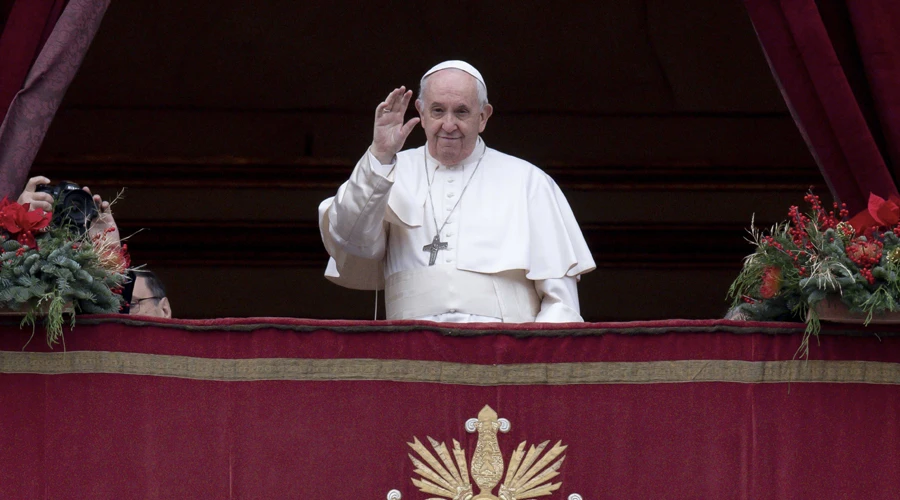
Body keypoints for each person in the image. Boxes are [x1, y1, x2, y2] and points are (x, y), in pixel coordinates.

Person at [319, 61, 595, 323]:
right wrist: (379, 155)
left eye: (461, 112)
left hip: (503, 359)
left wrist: (528, 364)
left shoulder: (529, 182)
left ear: (483, 116)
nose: (448, 125)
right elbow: (350, 239)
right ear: (421, 112)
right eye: (438, 111)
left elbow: (562, 305)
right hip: (409, 357)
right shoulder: (388, 171)